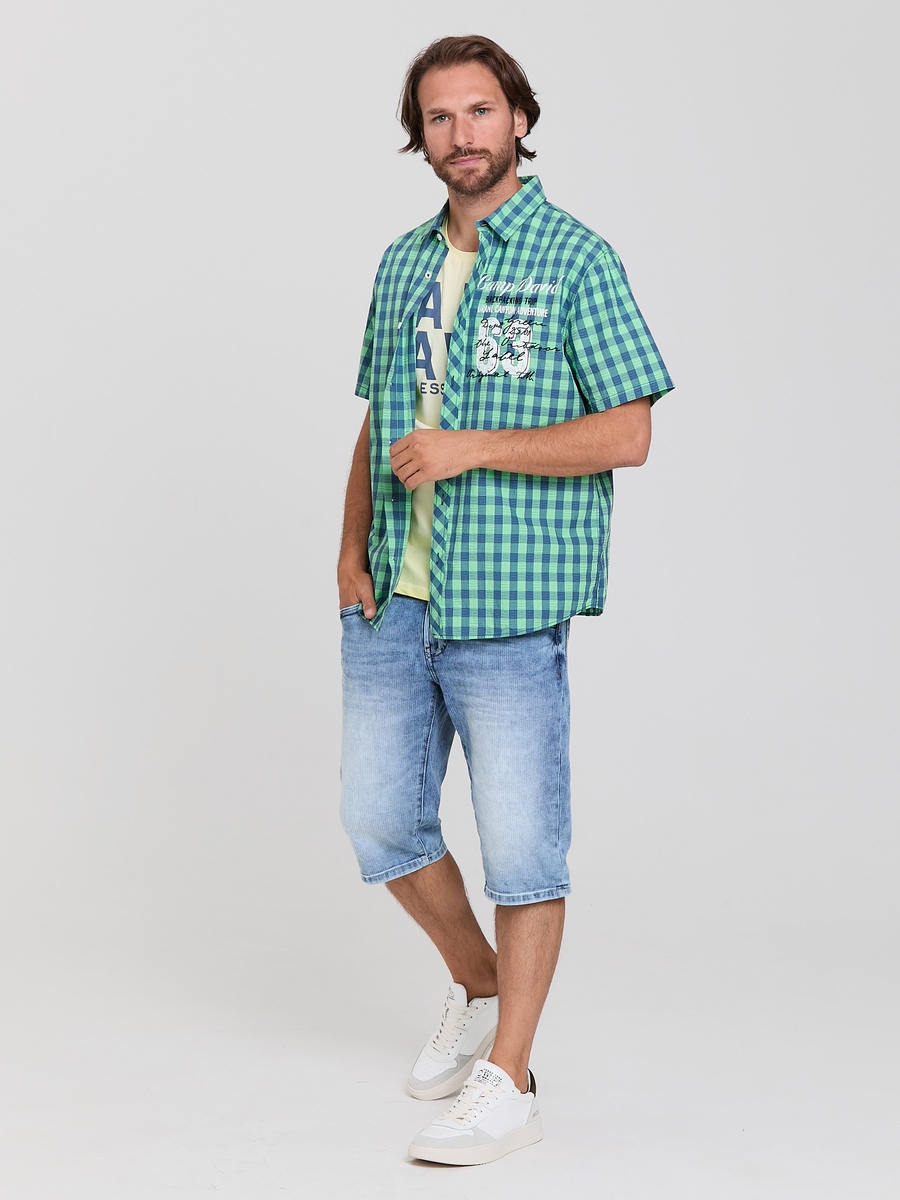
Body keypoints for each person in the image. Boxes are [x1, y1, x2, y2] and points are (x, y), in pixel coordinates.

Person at [337, 34, 673, 1166]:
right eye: (440, 117)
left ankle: (512, 1082)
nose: (462, 134)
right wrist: (348, 554)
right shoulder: (401, 264)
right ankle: (480, 987)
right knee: (381, 823)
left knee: (523, 851)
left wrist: (473, 445)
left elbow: (628, 431)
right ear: (420, 136)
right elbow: (380, 418)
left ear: (520, 118)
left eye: (481, 110)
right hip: (395, 599)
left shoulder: (577, 259)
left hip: (510, 605)